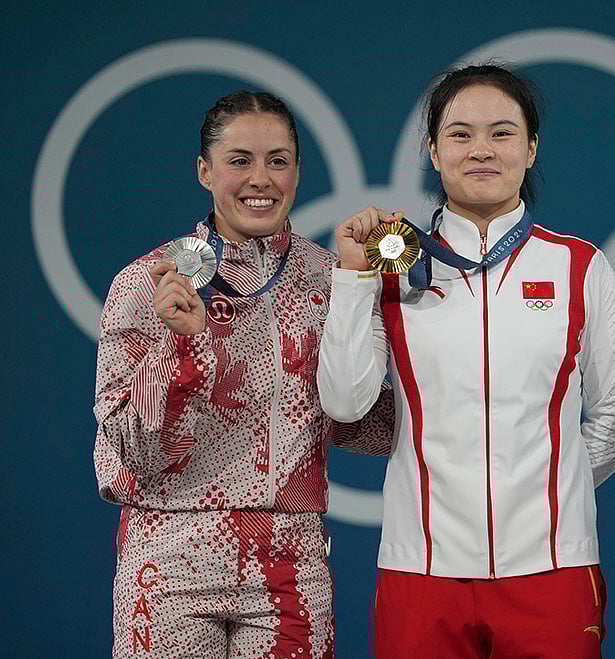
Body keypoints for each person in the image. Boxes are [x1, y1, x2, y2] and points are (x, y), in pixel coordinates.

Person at [316, 64, 615, 658]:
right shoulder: (393, 263)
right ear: (433, 152)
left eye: (502, 133)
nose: (481, 150)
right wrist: (354, 276)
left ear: (531, 149)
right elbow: (343, 401)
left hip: (554, 568)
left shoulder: (581, 268)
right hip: (421, 568)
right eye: (460, 134)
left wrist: (545, 493)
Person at [93, 90, 394, 659]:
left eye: (278, 160)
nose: (261, 178)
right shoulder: (144, 284)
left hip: (291, 565)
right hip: (168, 563)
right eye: (240, 161)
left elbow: (358, 425)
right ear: (204, 171)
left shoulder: (333, 279)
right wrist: (179, 350)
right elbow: (129, 456)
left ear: (298, 173)